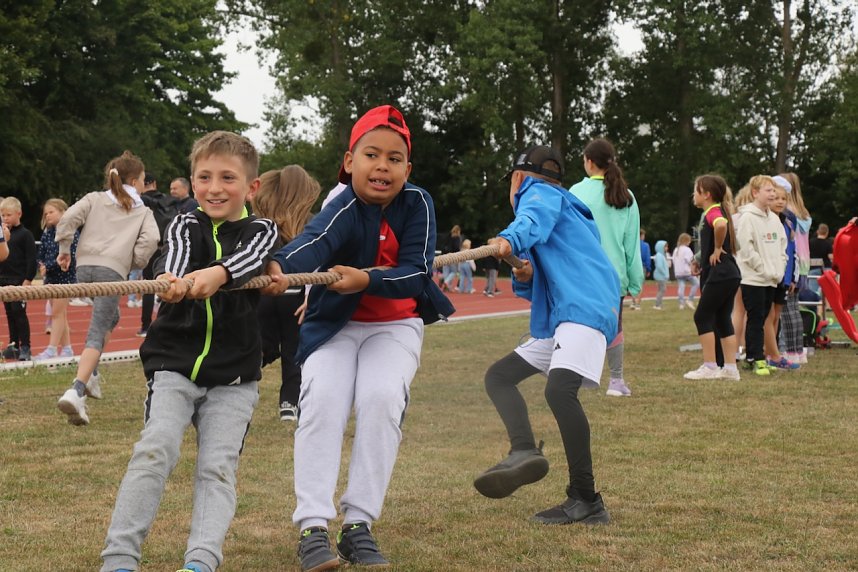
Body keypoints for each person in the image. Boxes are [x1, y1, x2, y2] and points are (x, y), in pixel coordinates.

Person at [264, 105, 452, 571]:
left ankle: (358, 525)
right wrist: (279, 267)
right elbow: (315, 241)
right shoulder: (343, 204)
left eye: (394, 158)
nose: (382, 166)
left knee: (382, 399)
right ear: (350, 162)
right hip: (334, 324)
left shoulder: (419, 204)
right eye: (372, 155)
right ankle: (312, 528)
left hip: (395, 325)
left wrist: (366, 279)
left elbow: (415, 272)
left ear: (408, 169)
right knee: (322, 401)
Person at [100, 131, 277, 572]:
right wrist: (176, 279)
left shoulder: (261, 228)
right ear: (193, 181)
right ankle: (120, 558)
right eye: (204, 177)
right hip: (174, 365)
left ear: (251, 187)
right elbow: (174, 254)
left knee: (217, 468)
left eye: (227, 178)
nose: (215, 187)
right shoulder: (184, 221)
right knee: (155, 450)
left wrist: (218, 273)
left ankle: (200, 561)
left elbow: (253, 257)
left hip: (235, 374)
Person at [474, 145, 619, 525]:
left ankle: (586, 499)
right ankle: (523, 450)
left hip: (582, 310)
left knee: (559, 391)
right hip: (568, 314)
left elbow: (531, 218)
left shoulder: (539, 195)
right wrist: (528, 274)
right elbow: (562, 266)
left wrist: (510, 237)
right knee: (499, 377)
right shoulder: (564, 206)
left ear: (518, 179)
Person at [55, 150, 159, 425]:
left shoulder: (94, 198)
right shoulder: (142, 210)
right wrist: (131, 261)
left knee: (112, 317)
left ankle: (94, 373)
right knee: (98, 328)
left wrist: (65, 249)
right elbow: (151, 241)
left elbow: (67, 220)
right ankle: (77, 389)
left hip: (84, 267)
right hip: (111, 270)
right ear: (136, 180)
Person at [569, 138, 642, 397]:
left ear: (589, 162)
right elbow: (631, 244)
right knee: (615, 326)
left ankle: (572, 378)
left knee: (577, 326)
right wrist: (635, 282)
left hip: (580, 273)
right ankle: (616, 381)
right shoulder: (627, 196)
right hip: (614, 275)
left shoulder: (576, 192)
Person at [250, 165, 322, 421]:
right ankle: (289, 403)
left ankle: (240, 381)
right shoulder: (313, 224)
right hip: (296, 294)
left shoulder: (263, 222)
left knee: (260, 345)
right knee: (294, 350)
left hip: (265, 292)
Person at [683, 175, 742, 380]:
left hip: (721, 273)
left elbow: (721, 225)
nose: (694, 195)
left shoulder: (713, 211)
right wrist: (703, 259)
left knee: (702, 316)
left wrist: (717, 248)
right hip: (730, 273)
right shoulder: (715, 209)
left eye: (696, 191)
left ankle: (710, 366)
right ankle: (730, 368)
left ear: (706, 195)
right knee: (722, 318)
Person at [735, 175, 787, 376]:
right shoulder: (747, 217)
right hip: (753, 278)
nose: (773, 194)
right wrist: (762, 268)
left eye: (774, 190)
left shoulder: (774, 219)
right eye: (768, 190)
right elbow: (746, 248)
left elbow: (781, 246)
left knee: (764, 316)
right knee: (756, 318)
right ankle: (757, 358)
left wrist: (779, 268)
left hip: (772, 278)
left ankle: (752, 355)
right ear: (755, 193)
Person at [762, 178, 800, 370]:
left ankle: (772, 354)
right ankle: (769, 353)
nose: (779, 201)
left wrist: (793, 276)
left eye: (783, 198)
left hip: (784, 275)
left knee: (776, 315)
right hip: (769, 274)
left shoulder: (789, 220)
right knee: (767, 316)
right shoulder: (765, 220)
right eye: (775, 197)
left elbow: (792, 250)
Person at [34, 199, 78, 361]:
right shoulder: (47, 231)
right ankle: (67, 349)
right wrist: (41, 264)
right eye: (45, 213)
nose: (47, 215)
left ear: (63, 212)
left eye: (51, 212)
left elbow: (70, 256)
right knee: (60, 315)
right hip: (51, 278)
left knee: (57, 314)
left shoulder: (70, 231)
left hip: (64, 278)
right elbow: (42, 252)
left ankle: (51, 349)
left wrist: (50, 265)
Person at [0, 196, 37, 361]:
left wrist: (28, 280)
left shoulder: (25, 235)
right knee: (9, 313)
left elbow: (31, 259)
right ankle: (13, 345)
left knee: (19, 312)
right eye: (3, 215)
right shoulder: (3, 235)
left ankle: (26, 347)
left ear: (18, 213)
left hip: (19, 281)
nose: (5, 218)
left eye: (8, 215)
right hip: (4, 280)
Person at [674, 233, 699, 310]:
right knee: (696, 283)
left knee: (681, 286)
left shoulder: (676, 250)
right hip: (686, 271)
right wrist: (695, 268)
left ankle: (681, 303)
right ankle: (690, 299)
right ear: (686, 241)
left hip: (678, 272)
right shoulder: (687, 250)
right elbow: (690, 260)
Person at [632, 229, 652, 309]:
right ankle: (638, 303)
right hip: (642, 266)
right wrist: (648, 268)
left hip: (633, 266)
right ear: (642, 236)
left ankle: (633, 301)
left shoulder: (633, 244)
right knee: (641, 285)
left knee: (633, 284)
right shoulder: (645, 245)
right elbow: (647, 257)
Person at [441, 224, 462, 292]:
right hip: (452, 256)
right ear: (458, 231)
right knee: (453, 272)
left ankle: (448, 287)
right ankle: (446, 282)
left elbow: (443, 245)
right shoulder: (457, 238)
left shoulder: (448, 236)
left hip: (445, 256)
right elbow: (456, 247)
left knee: (446, 271)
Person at [652, 240, 670, 310]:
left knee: (661, 290)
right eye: (665, 246)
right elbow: (659, 266)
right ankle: (657, 305)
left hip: (661, 276)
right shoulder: (659, 256)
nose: (667, 248)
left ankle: (659, 304)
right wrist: (665, 274)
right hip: (660, 276)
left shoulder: (661, 255)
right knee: (662, 290)